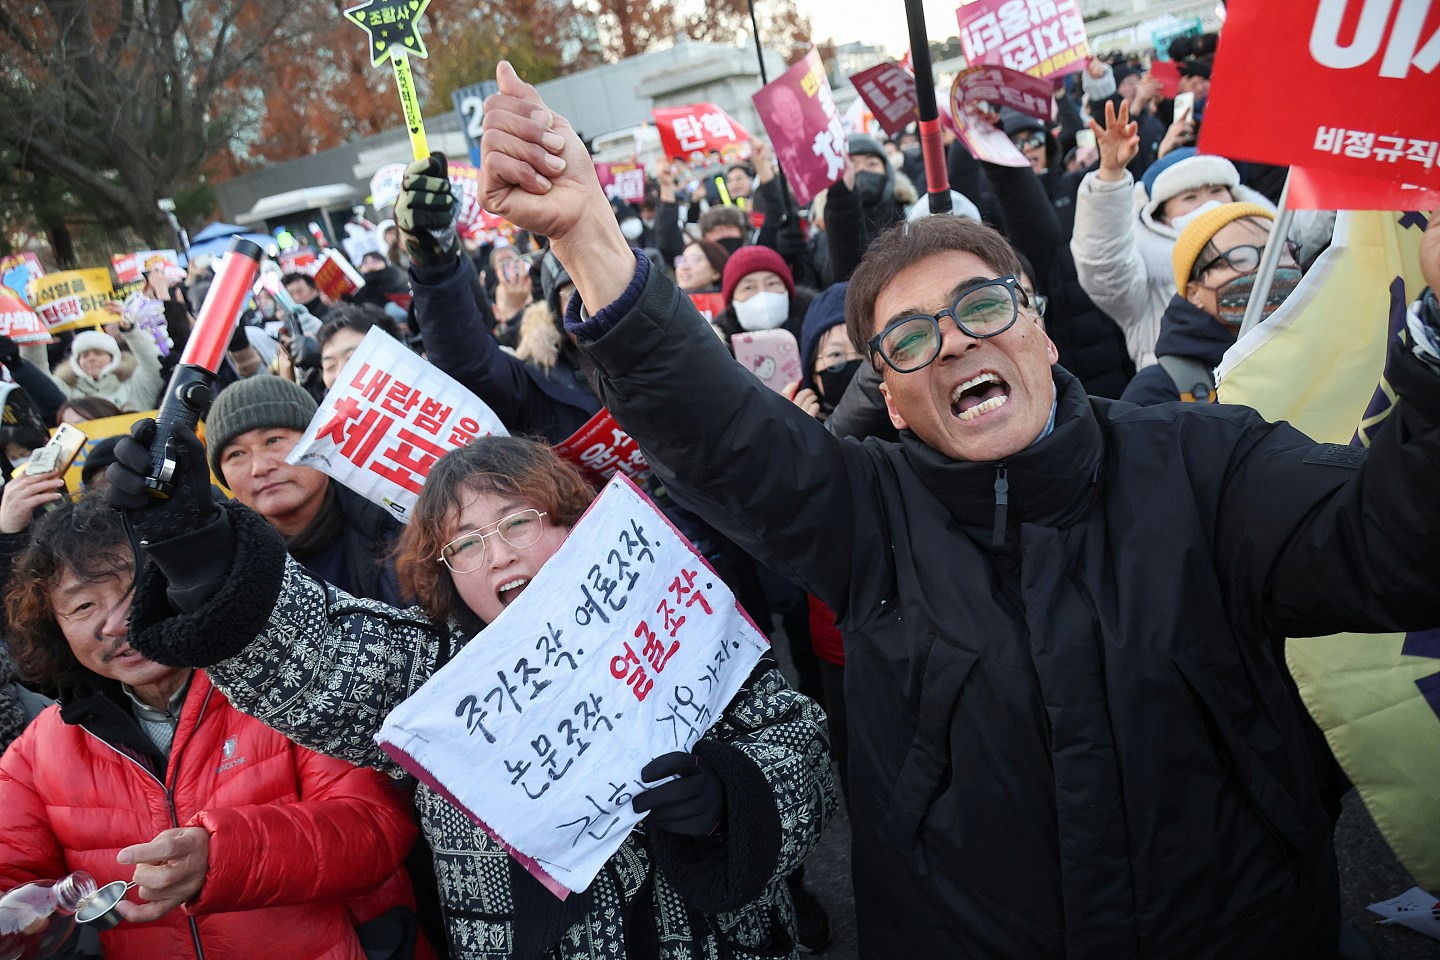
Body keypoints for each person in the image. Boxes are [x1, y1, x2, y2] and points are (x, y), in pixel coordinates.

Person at [469, 62, 1440, 958]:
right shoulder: (867, 517)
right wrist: (586, 232)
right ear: (889, 398)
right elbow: (718, 427)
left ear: (1040, 329)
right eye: (910, 339)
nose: (955, 344)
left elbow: (1392, 548)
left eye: (982, 308)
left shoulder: (1206, 462)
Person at [104, 429, 836, 958]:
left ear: (581, 524)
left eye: (519, 520)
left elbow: (801, 739)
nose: (501, 553)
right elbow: (318, 654)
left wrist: (730, 796)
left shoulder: (677, 626)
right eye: (466, 543)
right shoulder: (436, 674)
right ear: (445, 571)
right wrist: (196, 548)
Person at [0, 498, 427, 960]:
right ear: (54, 627)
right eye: (83, 605)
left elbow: (376, 824)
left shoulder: (280, 682)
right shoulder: (36, 753)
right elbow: (13, 880)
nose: (118, 624)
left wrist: (222, 856)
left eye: (135, 590)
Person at [1071, 101, 1274, 370]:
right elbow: (1103, 263)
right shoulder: (1143, 282)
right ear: (1161, 215)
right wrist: (1110, 175)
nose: (1207, 204)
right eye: (1190, 197)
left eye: (1216, 191)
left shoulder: (1275, 249)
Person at [204, 375, 408, 607]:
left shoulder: (396, 517)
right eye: (236, 454)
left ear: (317, 440)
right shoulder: (224, 563)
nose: (259, 467)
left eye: (273, 441)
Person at [1122, 203, 1301, 406]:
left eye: (1281, 252)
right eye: (1242, 259)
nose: (1270, 268)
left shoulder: (1320, 354)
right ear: (1194, 292)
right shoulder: (1157, 393)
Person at [24, 321, 165, 413]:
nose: (91, 358)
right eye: (84, 355)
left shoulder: (135, 384)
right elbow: (37, 378)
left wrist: (130, 330)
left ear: (113, 357)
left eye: (98, 353)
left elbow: (152, 361)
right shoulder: (66, 388)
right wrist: (33, 330)